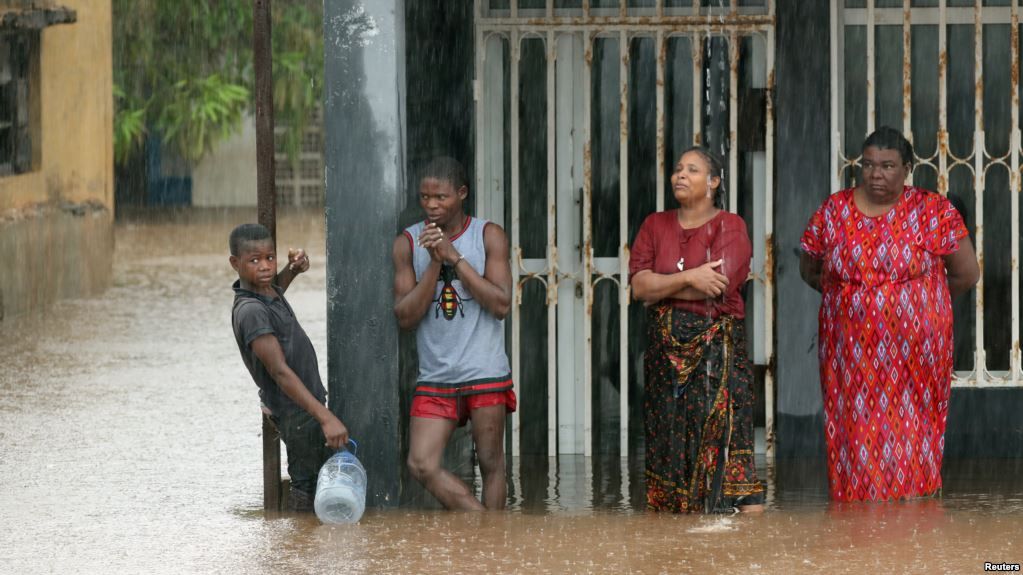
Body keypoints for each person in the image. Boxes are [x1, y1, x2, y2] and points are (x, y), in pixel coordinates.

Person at [800, 126, 980, 502]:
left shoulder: (934, 210)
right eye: (867, 165)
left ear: (908, 168)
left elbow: (965, 273)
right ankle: (858, 506)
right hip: (848, 350)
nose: (875, 174)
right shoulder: (833, 210)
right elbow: (810, 268)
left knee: (911, 425)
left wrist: (918, 305)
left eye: (887, 165)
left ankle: (913, 503)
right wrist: (854, 301)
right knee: (855, 423)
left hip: (916, 352)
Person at [629, 146, 766, 513]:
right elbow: (639, 287)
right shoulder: (654, 225)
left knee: (724, 444)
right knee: (669, 448)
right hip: (664, 360)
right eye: (677, 169)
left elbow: (718, 285)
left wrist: (664, 283)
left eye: (692, 169)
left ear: (714, 182)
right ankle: (677, 551)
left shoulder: (730, 225)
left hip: (717, 358)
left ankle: (742, 551)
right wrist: (690, 276)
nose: (680, 175)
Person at [392, 157, 516, 511]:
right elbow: (405, 316)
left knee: (492, 465)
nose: (431, 205)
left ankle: (490, 553)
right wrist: (434, 261)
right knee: (421, 464)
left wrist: (455, 257)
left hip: (485, 371)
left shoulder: (488, 235)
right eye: (424, 197)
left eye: (441, 197)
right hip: (436, 375)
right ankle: (484, 528)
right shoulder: (407, 243)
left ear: (462, 194)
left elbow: (501, 305)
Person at [229, 223, 349, 512]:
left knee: (313, 478)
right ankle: (295, 547)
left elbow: (274, 288)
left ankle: (299, 546)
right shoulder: (252, 312)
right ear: (235, 263)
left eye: (270, 258)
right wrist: (325, 417)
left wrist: (293, 269)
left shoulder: (266, 292)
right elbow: (280, 372)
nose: (265, 266)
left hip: (302, 406)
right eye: (254, 260)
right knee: (306, 486)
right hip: (297, 411)